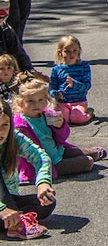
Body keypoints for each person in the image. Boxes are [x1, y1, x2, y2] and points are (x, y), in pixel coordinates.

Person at [13, 78, 106, 183]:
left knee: (90, 153)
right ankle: (89, 157)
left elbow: (62, 138)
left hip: (58, 151)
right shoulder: (20, 124)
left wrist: (60, 126)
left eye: (40, 100)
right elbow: (21, 152)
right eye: (31, 101)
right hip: (47, 163)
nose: (36, 104)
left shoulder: (46, 114)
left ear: (46, 100)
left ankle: (95, 153)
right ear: (20, 102)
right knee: (87, 162)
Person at [0, 100, 55, 239]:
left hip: (8, 199)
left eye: (4, 125)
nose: (0, 131)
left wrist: (43, 183)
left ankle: (13, 218)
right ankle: (16, 223)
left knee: (47, 202)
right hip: (3, 204)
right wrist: (2, 208)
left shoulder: (13, 138)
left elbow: (41, 156)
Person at [47, 36, 93, 125]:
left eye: (74, 50)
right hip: (63, 102)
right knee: (63, 120)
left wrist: (75, 84)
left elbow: (87, 85)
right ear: (60, 52)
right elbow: (52, 87)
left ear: (79, 51)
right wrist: (56, 93)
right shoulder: (56, 69)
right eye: (67, 51)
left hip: (79, 101)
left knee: (76, 118)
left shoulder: (84, 66)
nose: (71, 54)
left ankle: (89, 114)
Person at [0, 0, 36, 77]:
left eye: (4, 17)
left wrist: (30, 71)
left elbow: (19, 54)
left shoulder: (6, 30)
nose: (1, 21)